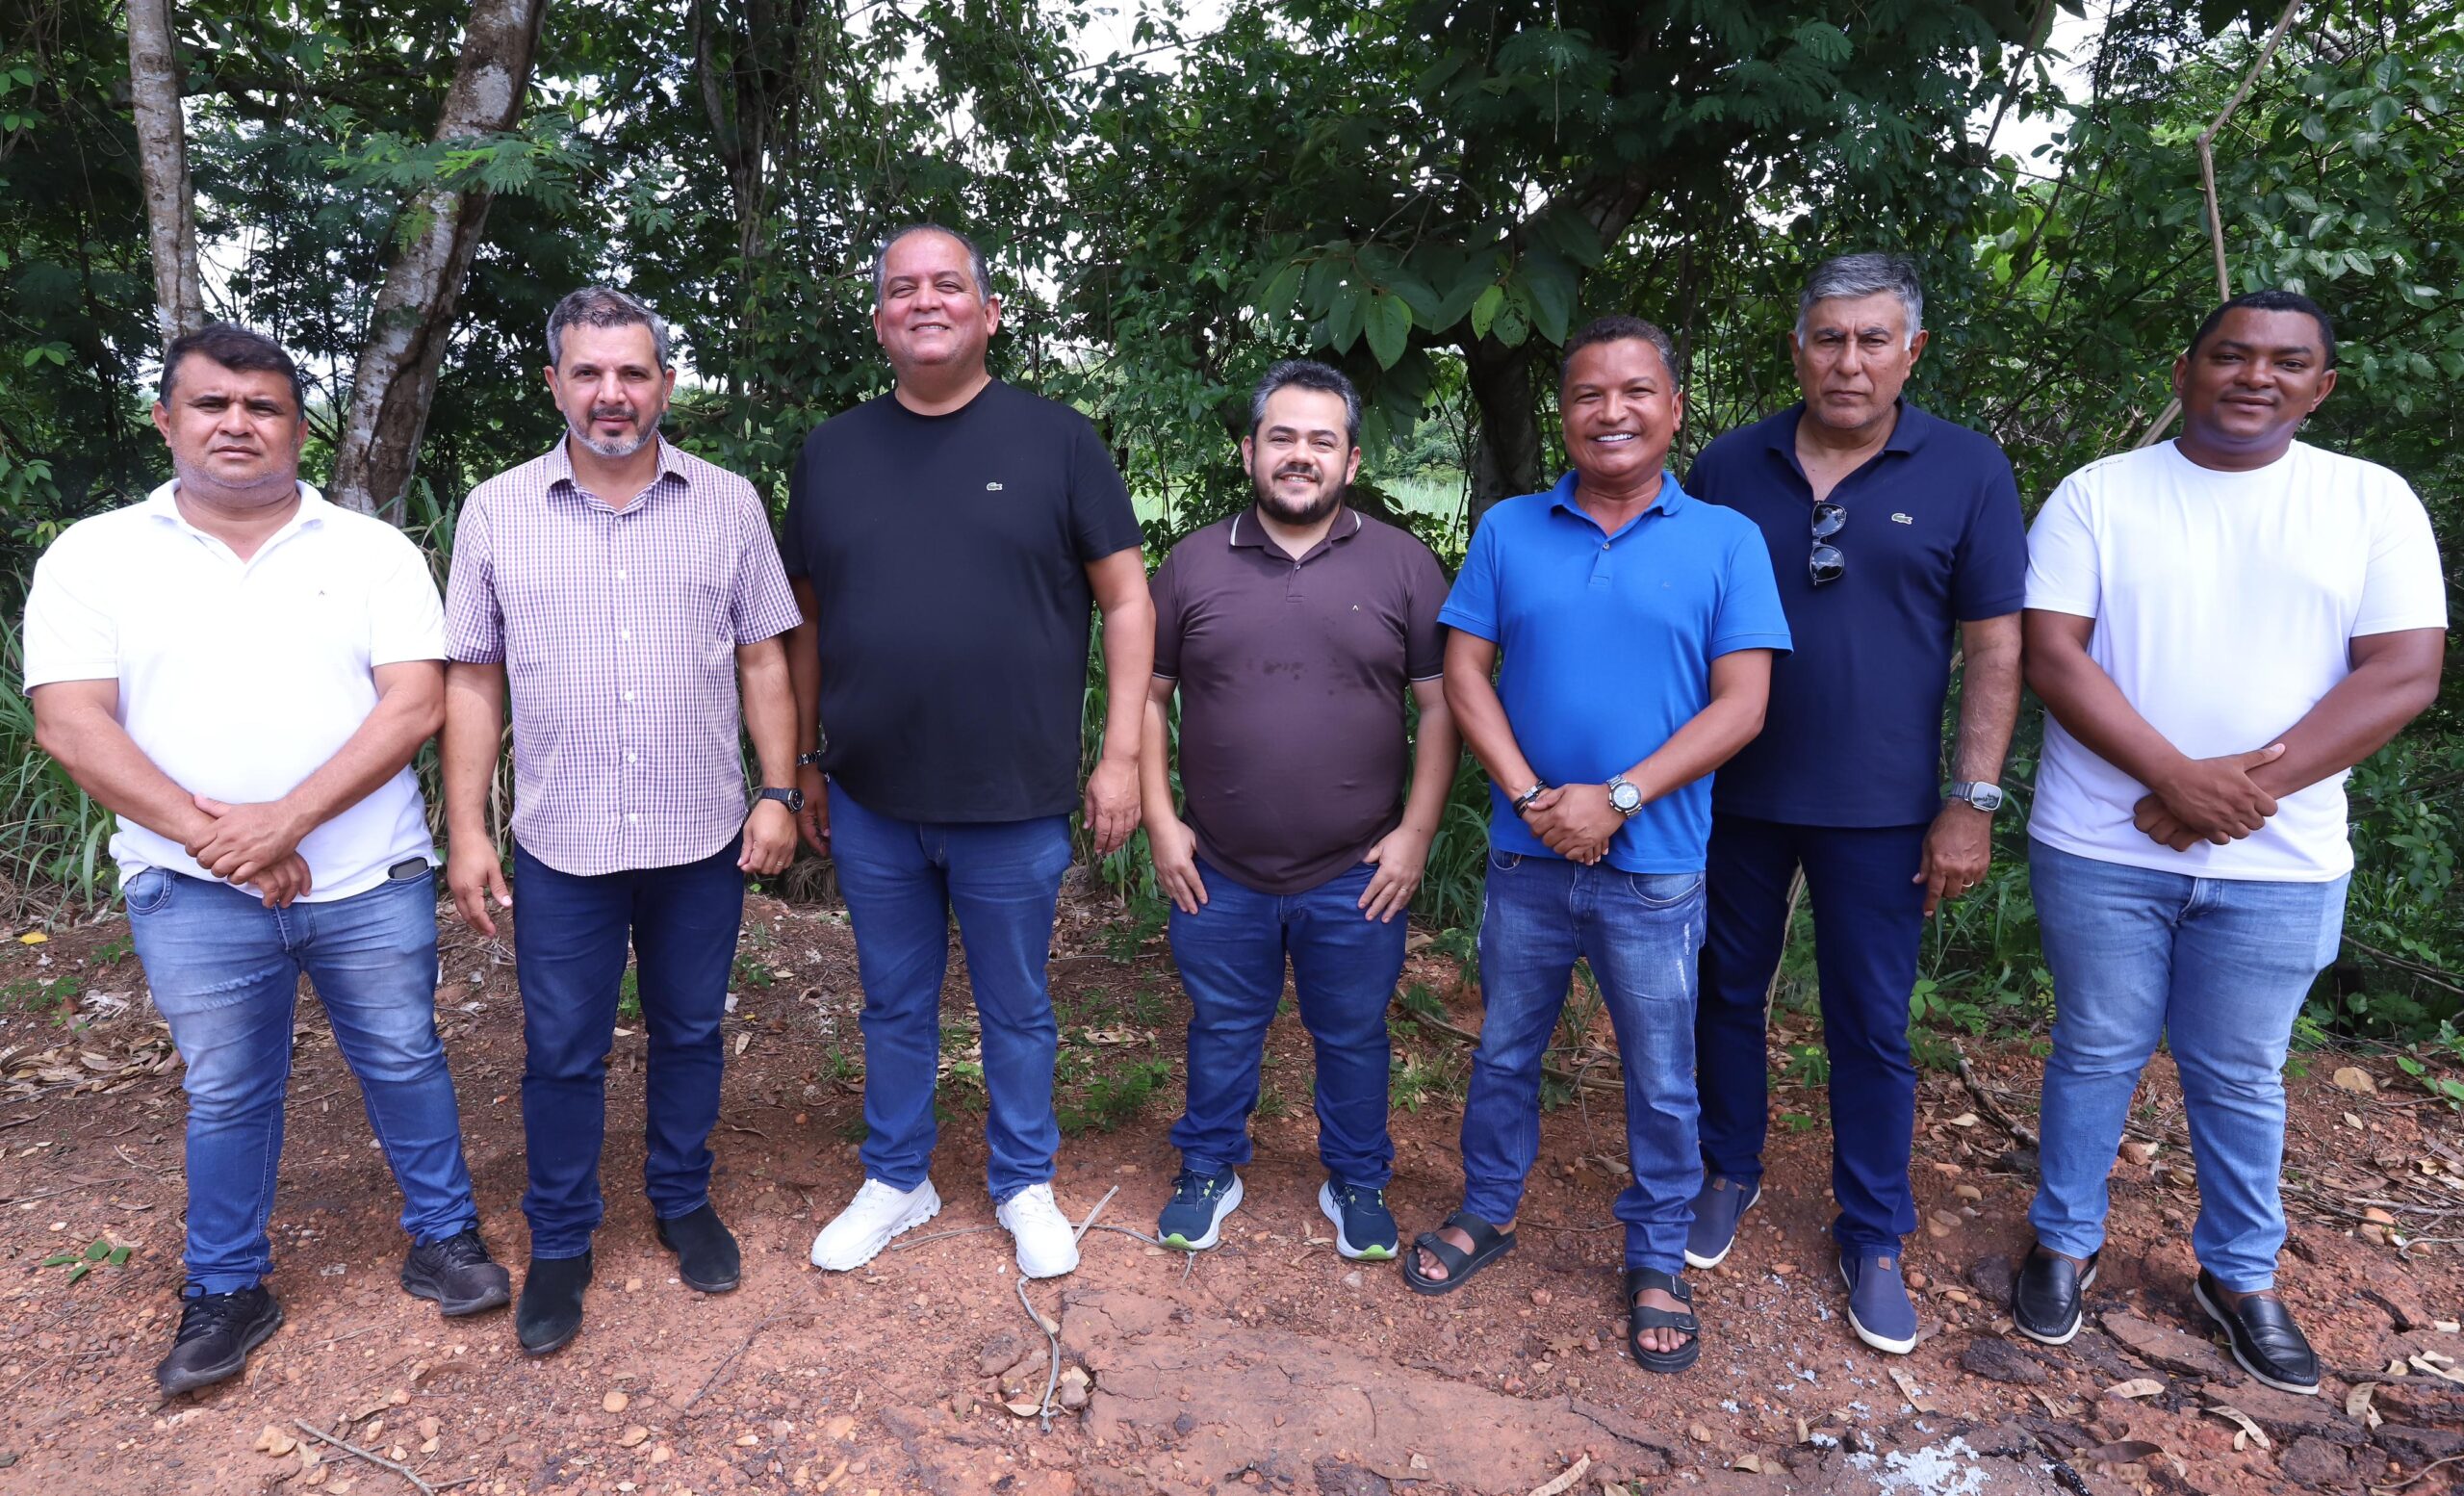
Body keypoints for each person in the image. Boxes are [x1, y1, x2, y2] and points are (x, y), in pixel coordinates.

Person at [23, 324, 509, 1397]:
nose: (236, 424)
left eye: (264, 407)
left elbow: (413, 705)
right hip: (192, 888)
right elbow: (71, 722)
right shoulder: (95, 556)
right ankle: (227, 1286)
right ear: (167, 420)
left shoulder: (371, 553)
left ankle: (445, 1239)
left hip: (368, 875)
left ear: (298, 428)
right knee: (228, 1090)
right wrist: (228, 843)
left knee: (405, 1057)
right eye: (212, 404)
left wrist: (284, 822)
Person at [2015, 290, 2444, 1394]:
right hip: (2102, 846)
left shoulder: (2368, 501)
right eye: (2230, 354)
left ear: (2321, 386)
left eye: (2286, 362)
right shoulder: (2099, 493)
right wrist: (2171, 779)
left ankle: (2241, 1275)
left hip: (2281, 862)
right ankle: (2063, 1241)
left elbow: (2403, 671)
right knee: (2094, 1048)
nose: (2255, 376)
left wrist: (2234, 793)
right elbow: (2052, 654)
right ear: (2185, 370)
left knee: (2242, 1071)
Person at [1405, 315, 1790, 1375]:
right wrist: (1534, 797)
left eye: (1635, 392)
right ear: (1563, 412)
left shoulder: (1726, 540)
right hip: (1527, 858)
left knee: (1662, 1077)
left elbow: (1744, 705)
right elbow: (1465, 672)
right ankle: (1488, 1209)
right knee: (1503, 1051)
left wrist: (1616, 798)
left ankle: (1657, 1255)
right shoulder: (1509, 529)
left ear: (1674, 409)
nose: (1610, 412)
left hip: (1656, 869)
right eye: (1586, 394)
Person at [441, 286, 803, 1356]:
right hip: (565, 842)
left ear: (665, 385)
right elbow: (473, 677)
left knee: (690, 1030)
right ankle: (560, 1240)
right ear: (554, 382)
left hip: (701, 835)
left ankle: (682, 1199)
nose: (612, 393)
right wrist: (469, 830)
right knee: (562, 1050)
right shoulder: (496, 510)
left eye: (633, 372)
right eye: (589, 372)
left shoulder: (727, 503)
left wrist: (778, 790)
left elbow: (763, 657)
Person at [787, 224, 1153, 1280]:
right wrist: (805, 761)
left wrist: (1120, 756)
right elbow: (803, 619)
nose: (925, 300)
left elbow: (1128, 602)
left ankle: (1023, 1180)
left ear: (989, 313)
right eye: (902, 288)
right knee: (893, 1003)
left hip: (1013, 796)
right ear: (879, 322)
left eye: (948, 284)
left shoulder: (1058, 441)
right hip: (872, 796)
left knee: (1018, 1007)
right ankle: (897, 1177)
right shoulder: (832, 452)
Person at [1685, 253, 2027, 1354]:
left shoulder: (1967, 468)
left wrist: (1970, 801)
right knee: (1724, 991)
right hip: (1732, 793)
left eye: (1872, 339)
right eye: (1827, 338)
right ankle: (1725, 1168)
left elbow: (1995, 647)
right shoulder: (1728, 464)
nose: (1848, 361)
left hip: (1883, 809)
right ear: (1797, 350)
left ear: (1909, 352)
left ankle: (1873, 1229)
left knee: (1870, 1025)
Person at [1142, 360, 1458, 1261]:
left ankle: (1356, 1177)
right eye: (1281, 437)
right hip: (1219, 867)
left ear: (1351, 461)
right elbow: (1149, 697)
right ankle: (1209, 1167)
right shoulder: (1193, 562)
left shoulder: (1404, 565)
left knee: (1354, 1034)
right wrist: (1162, 822)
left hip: (1357, 870)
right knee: (1222, 1027)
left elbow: (1442, 707)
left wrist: (1416, 836)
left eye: (1322, 440)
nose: (1299, 455)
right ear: (1249, 450)